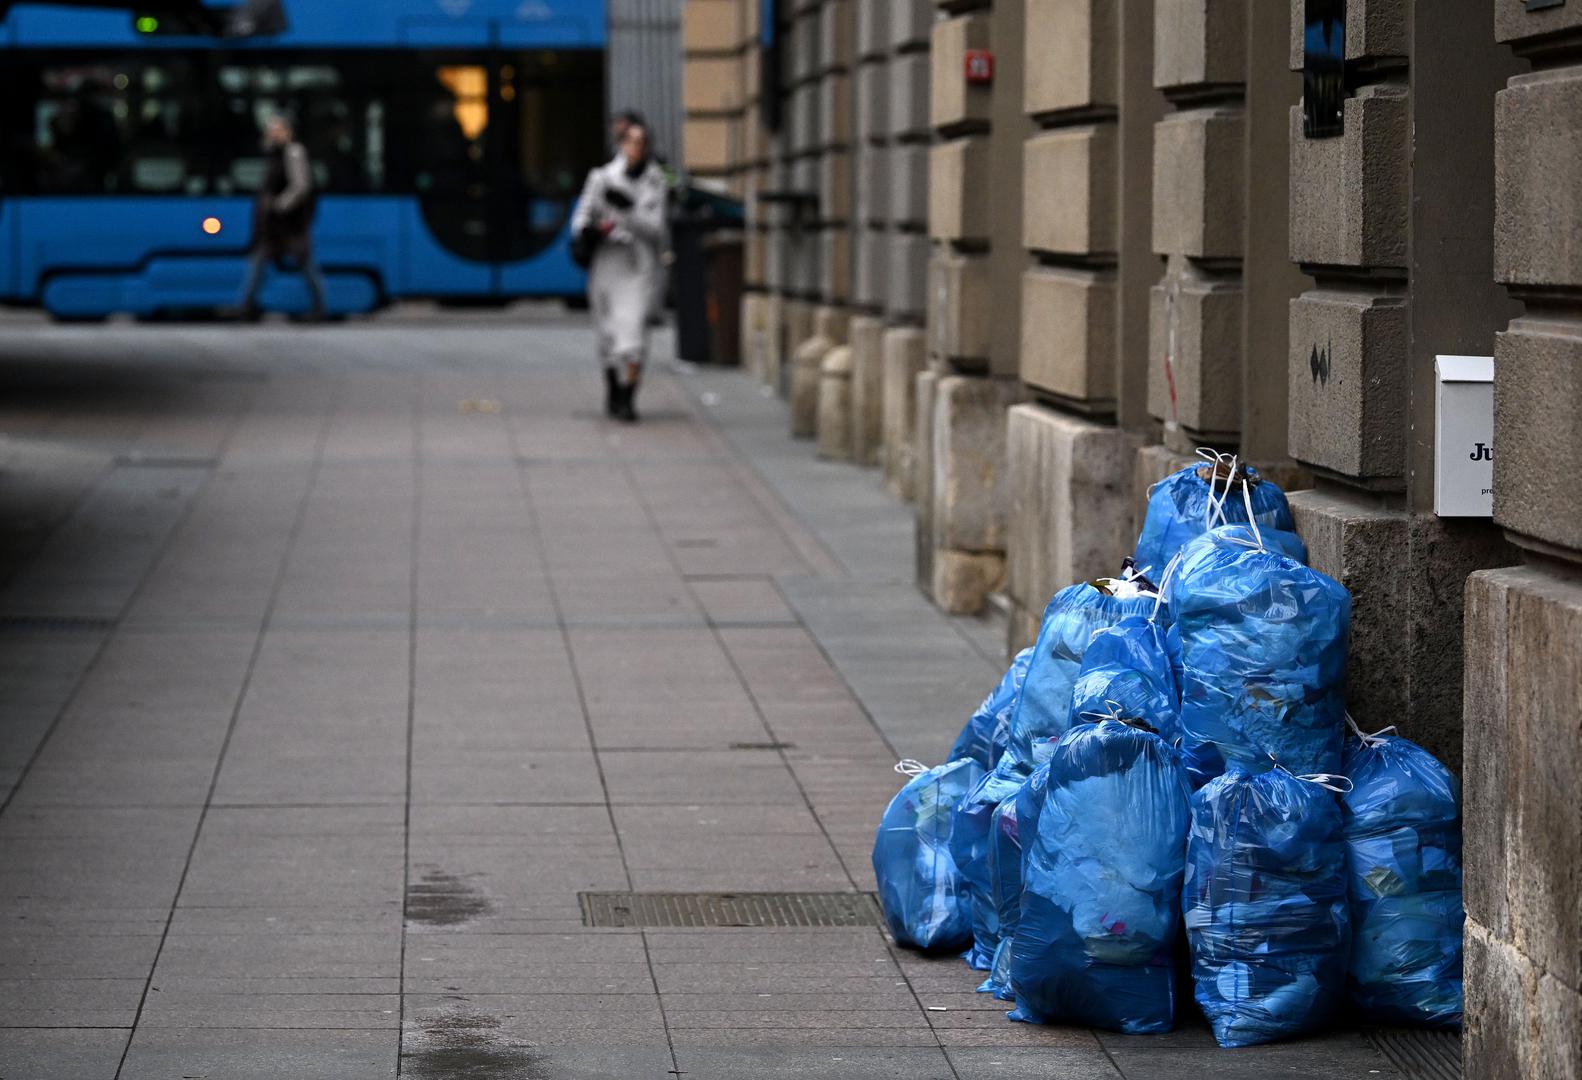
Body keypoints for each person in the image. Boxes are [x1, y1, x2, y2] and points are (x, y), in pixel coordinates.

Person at [570, 121, 667, 422]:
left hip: (637, 266)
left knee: (634, 334)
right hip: (606, 264)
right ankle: (613, 385)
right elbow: (581, 219)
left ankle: (628, 395)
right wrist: (592, 230)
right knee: (607, 334)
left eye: (641, 142)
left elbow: (656, 229)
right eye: (630, 141)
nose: (636, 147)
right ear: (621, 144)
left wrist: (629, 211)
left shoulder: (655, 181)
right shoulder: (601, 178)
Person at [235, 114, 327, 320]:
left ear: (288, 131)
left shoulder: (293, 152)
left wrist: (279, 205)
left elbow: (301, 186)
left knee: (304, 263)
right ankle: (247, 305)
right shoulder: (273, 153)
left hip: (290, 223)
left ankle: (319, 307)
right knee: (259, 261)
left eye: (276, 129)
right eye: (270, 129)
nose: (271, 133)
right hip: (273, 225)